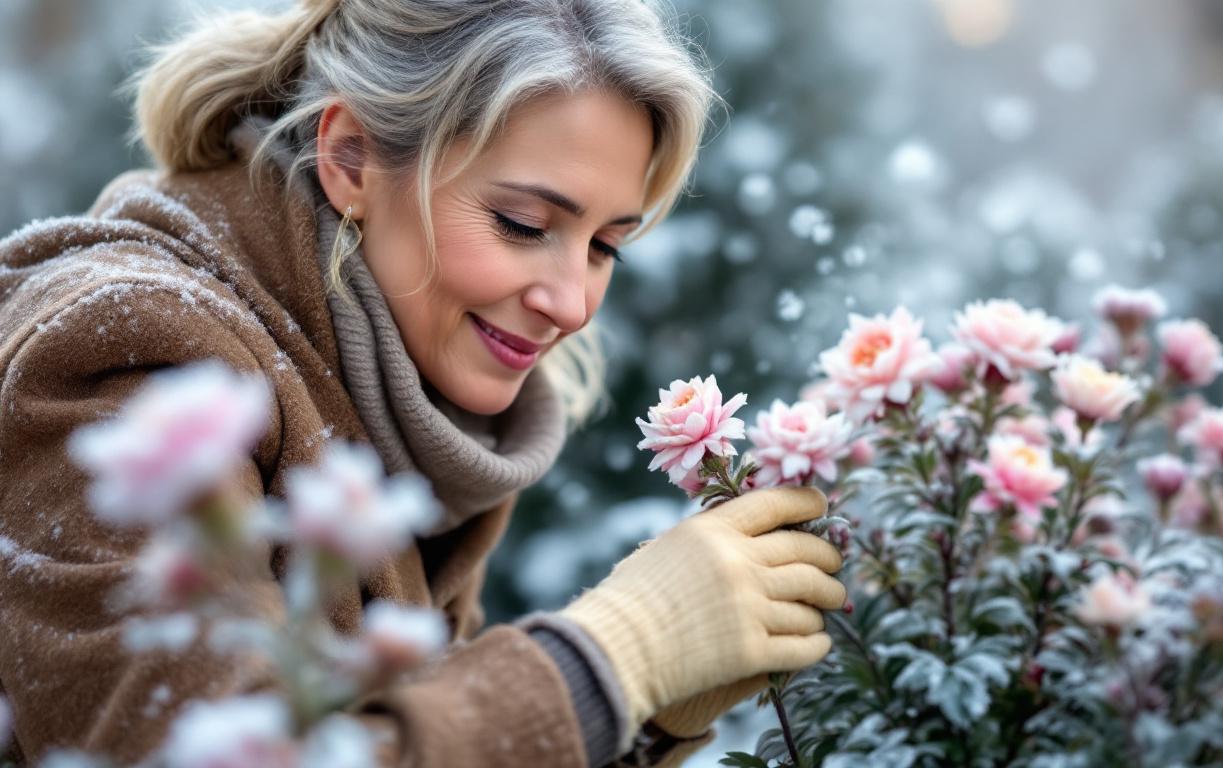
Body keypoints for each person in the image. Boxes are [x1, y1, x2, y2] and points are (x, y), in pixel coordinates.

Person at [0, 0, 847, 765]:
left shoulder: (399, 396)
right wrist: (611, 659)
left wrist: (640, 725)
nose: (574, 304)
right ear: (352, 158)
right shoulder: (130, 364)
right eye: (524, 224)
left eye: (604, 246)